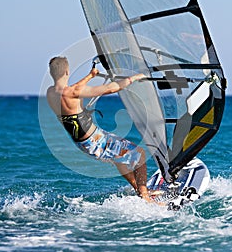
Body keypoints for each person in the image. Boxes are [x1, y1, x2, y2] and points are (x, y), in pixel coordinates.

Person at [47, 56, 160, 202]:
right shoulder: (73, 92)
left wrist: (89, 76)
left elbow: (72, 89)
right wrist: (135, 77)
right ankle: (145, 196)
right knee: (139, 154)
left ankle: (138, 190)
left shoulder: (50, 92)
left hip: (82, 143)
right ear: (67, 72)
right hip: (95, 140)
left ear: (52, 73)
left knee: (120, 157)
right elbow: (112, 88)